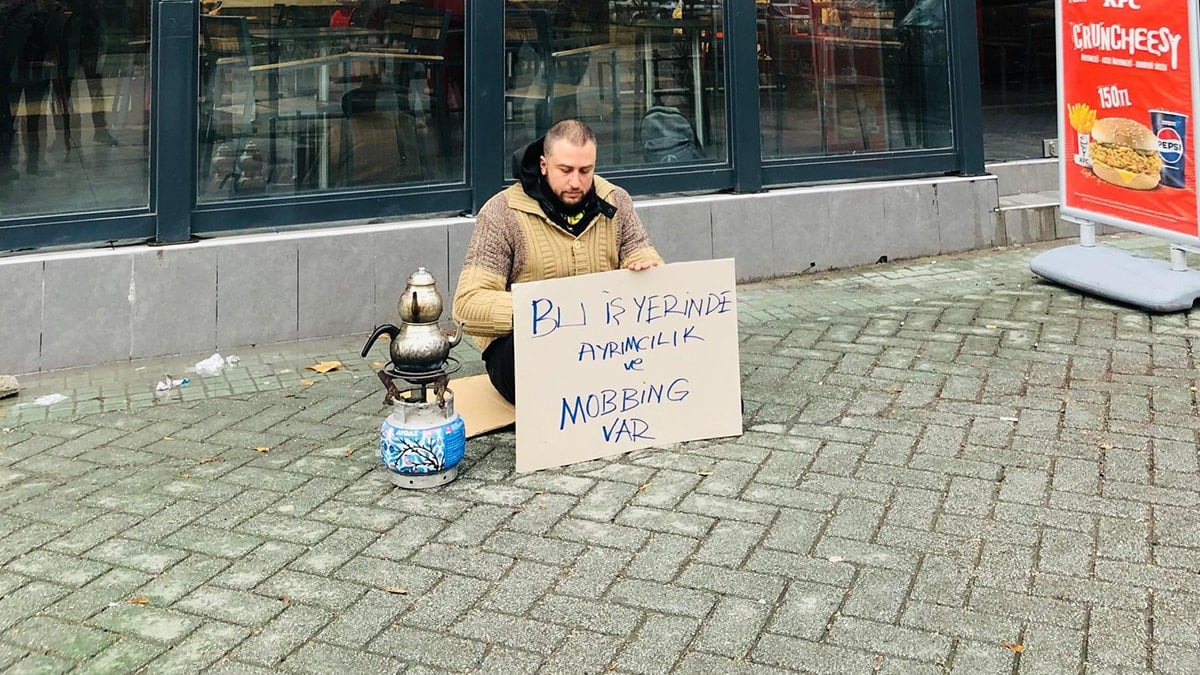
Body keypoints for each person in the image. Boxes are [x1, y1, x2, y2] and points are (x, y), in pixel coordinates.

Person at [453, 118, 663, 404]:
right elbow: (466, 304)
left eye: (585, 171)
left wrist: (645, 266)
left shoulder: (616, 200)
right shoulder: (501, 212)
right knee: (527, 363)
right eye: (565, 170)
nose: (575, 182)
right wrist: (543, 311)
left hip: (602, 341)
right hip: (530, 344)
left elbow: (640, 250)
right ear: (543, 165)